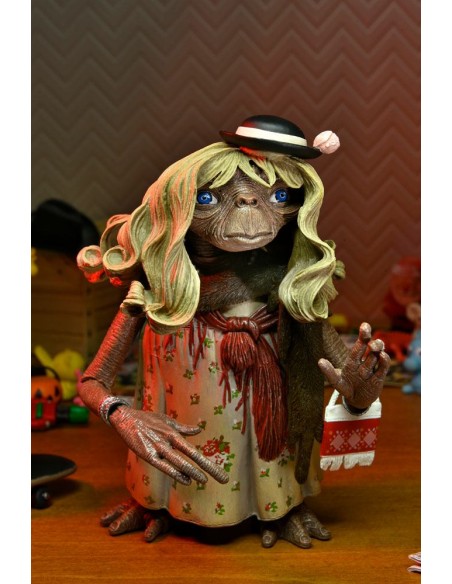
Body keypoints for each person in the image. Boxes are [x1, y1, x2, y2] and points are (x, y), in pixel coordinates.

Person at [77, 115, 389, 548]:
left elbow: (346, 379)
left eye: (278, 195)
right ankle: (154, 503)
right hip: (176, 458)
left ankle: (281, 506)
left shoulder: (291, 287)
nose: (247, 205)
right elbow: (92, 380)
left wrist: (360, 391)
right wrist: (121, 414)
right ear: (178, 207)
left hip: (267, 453)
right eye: (208, 197)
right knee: (167, 472)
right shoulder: (159, 291)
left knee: (275, 457)